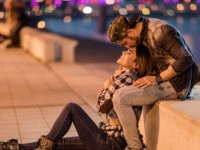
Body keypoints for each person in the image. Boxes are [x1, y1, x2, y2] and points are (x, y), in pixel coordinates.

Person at [0, 45, 156, 150]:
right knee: (57, 141)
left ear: (137, 64)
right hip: (107, 139)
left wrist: (106, 86)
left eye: (128, 53)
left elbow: (101, 105)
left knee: (71, 108)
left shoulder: (128, 78)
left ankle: (34, 147)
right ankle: (16, 148)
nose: (122, 52)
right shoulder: (126, 77)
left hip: (109, 143)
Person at [107, 12, 200, 150]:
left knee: (120, 98)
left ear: (131, 31)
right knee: (121, 92)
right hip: (166, 82)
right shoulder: (144, 32)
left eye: (125, 43)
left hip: (177, 85)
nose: (127, 47)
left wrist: (158, 78)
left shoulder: (160, 31)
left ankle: (135, 148)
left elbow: (186, 59)